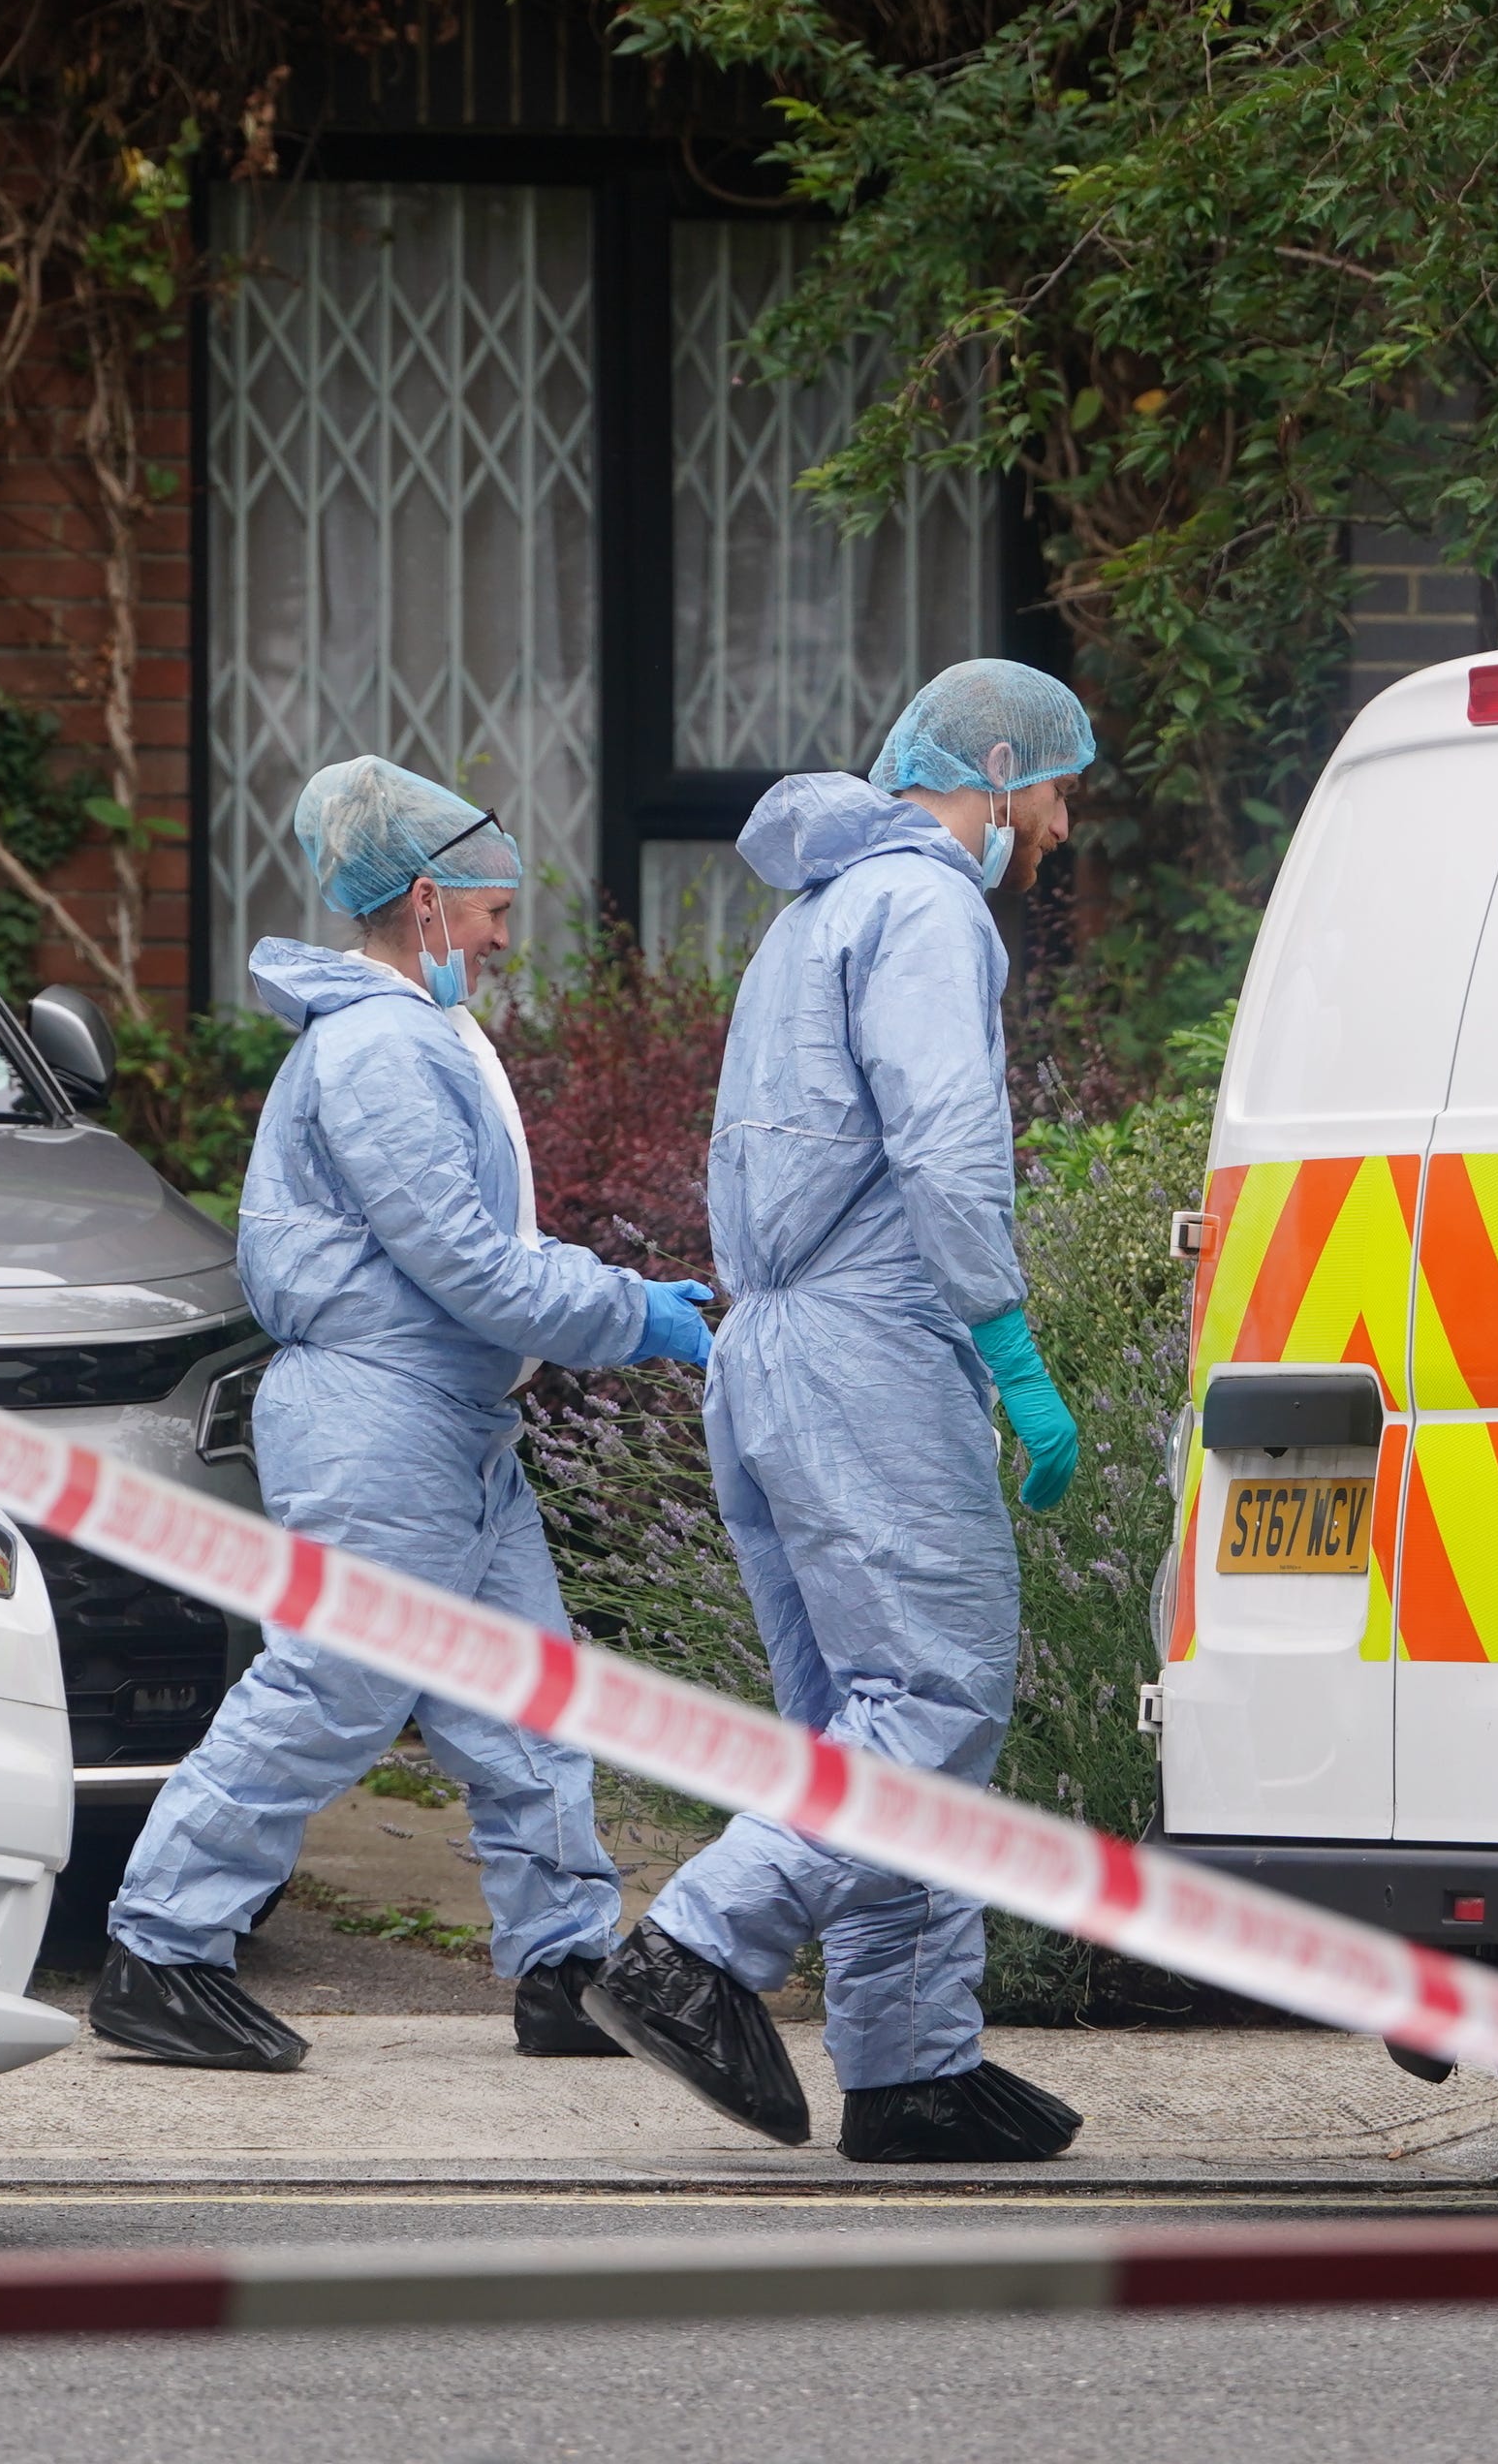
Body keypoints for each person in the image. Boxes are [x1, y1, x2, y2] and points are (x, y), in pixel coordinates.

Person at [94, 757, 717, 2072]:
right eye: (492, 912)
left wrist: (613, 1308)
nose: (502, 938)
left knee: (528, 1694)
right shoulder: (380, 1048)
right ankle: (159, 1949)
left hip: (448, 1428)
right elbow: (471, 1263)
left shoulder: (416, 1033)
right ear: (428, 903)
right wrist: (632, 1315)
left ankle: (565, 1966)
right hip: (382, 1423)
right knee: (334, 1682)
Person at [582, 660, 1094, 2164]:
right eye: (1057, 792)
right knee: (934, 1700)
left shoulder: (812, 915)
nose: (1059, 829)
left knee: (860, 1721)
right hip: (870, 1347)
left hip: (770, 1356)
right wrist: (1010, 1347)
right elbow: (945, 1141)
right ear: (995, 770)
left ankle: (909, 2065)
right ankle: (694, 1947)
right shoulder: (930, 905)